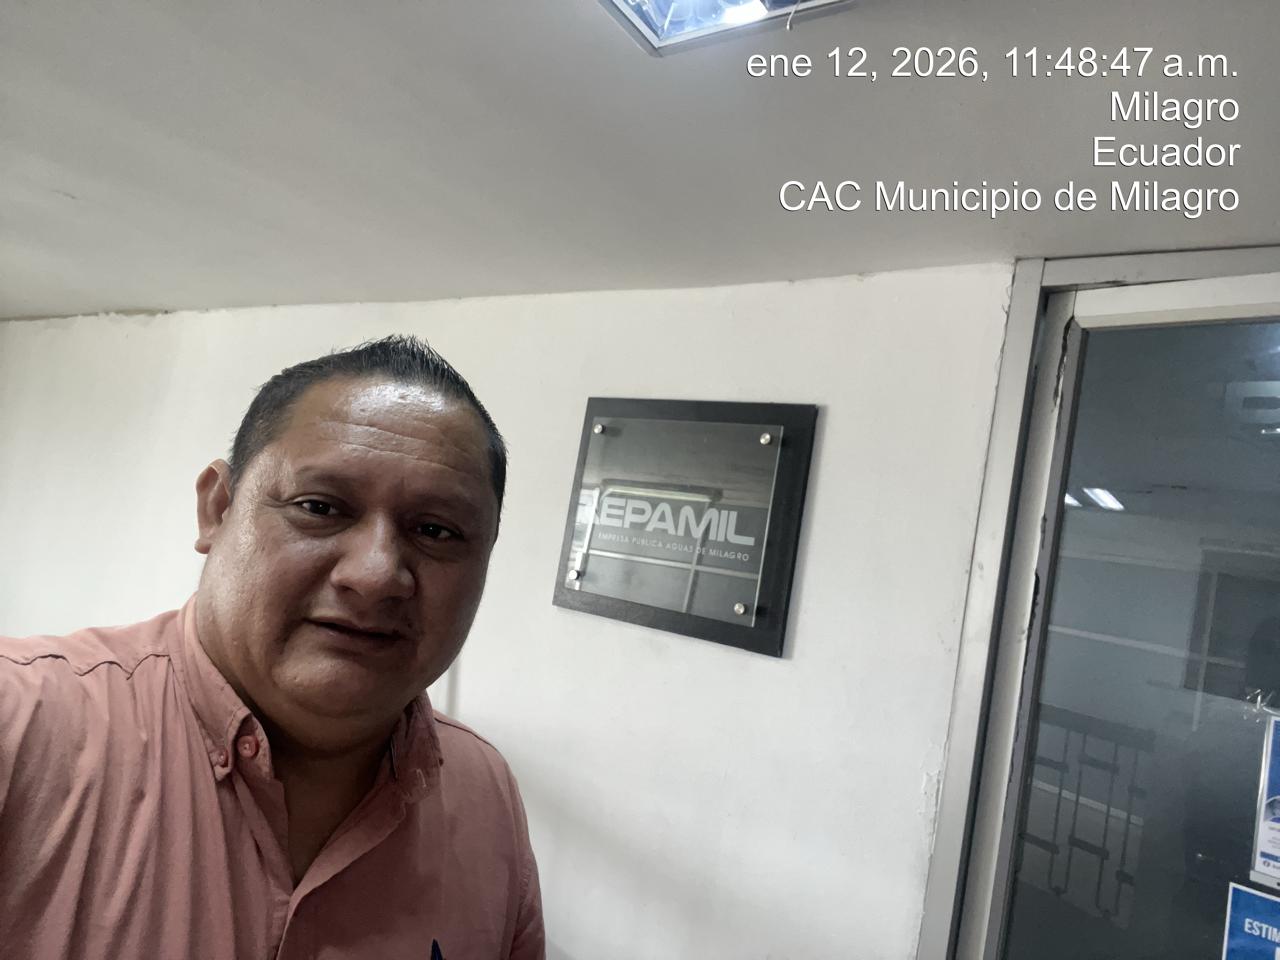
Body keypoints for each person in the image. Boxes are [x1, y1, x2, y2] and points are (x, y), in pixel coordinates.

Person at [0, 336, 544, 960]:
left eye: (436, 530)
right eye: (321, 507)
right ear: (217, 508)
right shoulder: (21, 728)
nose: (375, 575)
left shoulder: (485, 793)